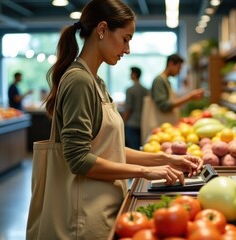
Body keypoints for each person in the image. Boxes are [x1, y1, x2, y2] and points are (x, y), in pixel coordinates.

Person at [26, 1, 203, 239]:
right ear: (102, 30)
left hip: (102, 208)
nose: (127, 49)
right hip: (81, 220)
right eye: (126, 38)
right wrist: (143, 172)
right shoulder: (79, 81)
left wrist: (166, 159)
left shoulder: (96, 82)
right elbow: (78, 160)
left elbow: (109, 150)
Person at [150, 54, 204, 125]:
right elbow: (164, 105)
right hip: (162, 125)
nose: (179, 72)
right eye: (179, 68)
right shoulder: (159, 81)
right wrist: (190, 97)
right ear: (171, 64)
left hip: (166, 125)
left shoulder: (166, 81)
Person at [123, 66, 148, 150]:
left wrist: (123, 121)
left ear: (134, 74)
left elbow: (128, 108)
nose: (129, 75)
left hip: (132, 123)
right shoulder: (145, 90)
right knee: (140, 147)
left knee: (132, 148)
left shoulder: (130, 90)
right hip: (142, 122)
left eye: (131, 73)